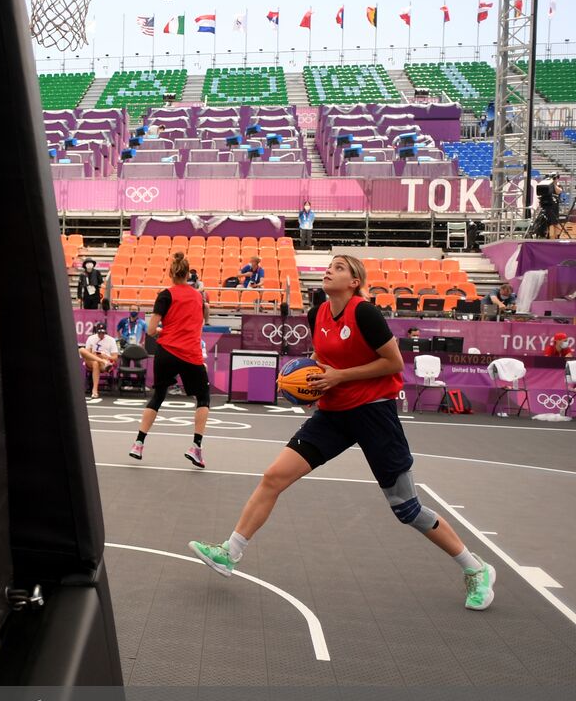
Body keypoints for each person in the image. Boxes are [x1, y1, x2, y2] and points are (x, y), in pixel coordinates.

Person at [188, 254, 497, 611]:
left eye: (338, 267)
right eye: (329, 265)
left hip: (373, 413)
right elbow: (325, 363)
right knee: (274, 476)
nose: (328, 270)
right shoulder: (317, 313)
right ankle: (231, 551)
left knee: (406, 508)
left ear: (354, 281)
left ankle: (475, 568)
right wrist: (311, 387)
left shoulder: (364, 313)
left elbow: (394, 363)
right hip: (334, 413)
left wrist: (339, 377)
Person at [129, 253, 212, 468]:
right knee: (203, 398)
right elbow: (203, 320)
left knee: (158, 396)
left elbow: (149, 329)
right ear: (188, 274)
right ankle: (196, 447)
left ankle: (138, 443)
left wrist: (162, 331)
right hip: (190, 354)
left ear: (171, 273)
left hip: (166, 351)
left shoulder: (165, 295)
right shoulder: (198, 296)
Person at [80, 322, 118, 402]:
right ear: (97, 331)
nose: (101, 334)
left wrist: (105, 356)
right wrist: (94, 354)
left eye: (103, 333)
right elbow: (87, 354)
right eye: (99, 332)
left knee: (96, 363)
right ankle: (102, 361)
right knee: (81, 350)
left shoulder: (111, 340)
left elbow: (115, 357)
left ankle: (95, 390)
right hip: (92, 359)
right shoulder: (91, 338)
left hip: (103, 362)